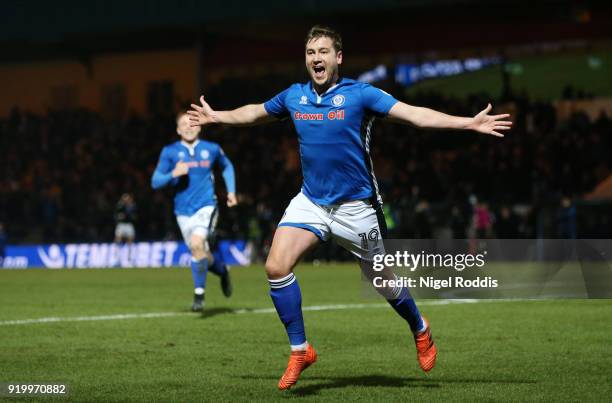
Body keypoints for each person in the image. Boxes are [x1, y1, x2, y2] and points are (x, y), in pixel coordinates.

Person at [188, 25, 511, 390]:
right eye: (311, 53)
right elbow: (255, 112)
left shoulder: (361, 95)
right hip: (311, 201)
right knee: (276, 265)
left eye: (323, 52)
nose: (316, 59)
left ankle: (420, 327)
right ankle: (301, 350)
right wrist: (219, 117)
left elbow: (415, 115)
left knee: (382, 282)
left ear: (338, 57)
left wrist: (469, 123)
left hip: (357, 208)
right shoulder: (294, 97)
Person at [151, 112, 237, 311]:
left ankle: (199, 296)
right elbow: (155, 182)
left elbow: (227, 167)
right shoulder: (169, 152)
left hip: (206, 205)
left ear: (199, 126)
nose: (188, 127)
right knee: (200, 253)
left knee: (198, 243)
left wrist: (231, 191)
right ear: (178, 130)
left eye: (192, 123)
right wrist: (174, 173)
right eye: (183, 124)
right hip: (182, 211)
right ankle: (222, 271)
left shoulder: (212, 149)